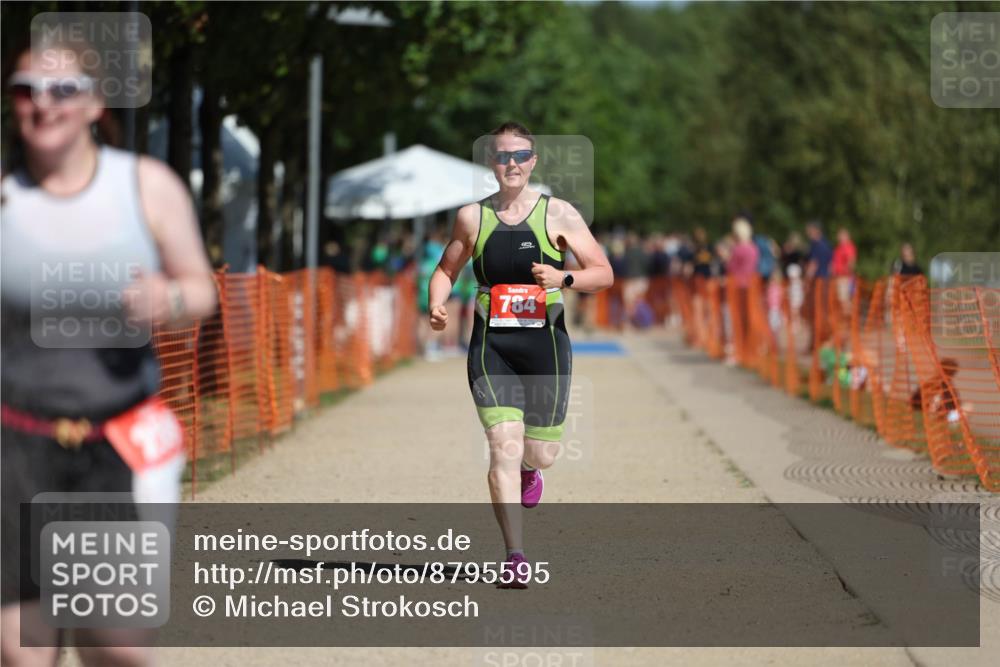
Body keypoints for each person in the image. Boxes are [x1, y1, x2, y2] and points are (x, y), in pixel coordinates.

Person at [1, 38, 217, 666]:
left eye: (62, 90)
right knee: (21, 652)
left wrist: (168, 299)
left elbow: (202, 290)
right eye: (25, 89)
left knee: (115, 648)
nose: (43, 104)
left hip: (117, 443)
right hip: (17, 445)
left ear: (95, 103)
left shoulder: (145, 186)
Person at [427, 122, 612, 588]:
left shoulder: (560, 215)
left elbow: (603, 273)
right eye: (502, 156)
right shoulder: (472, 217)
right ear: (491, 163)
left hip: (544, 345)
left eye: (520, 156)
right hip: (492, 347)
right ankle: (515, 556)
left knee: (541, 453)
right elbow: (446, 269)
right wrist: (436, 301)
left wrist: (564, 280)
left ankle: (533, 470)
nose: (511, 164)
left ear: (533, 161)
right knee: (501, 449)